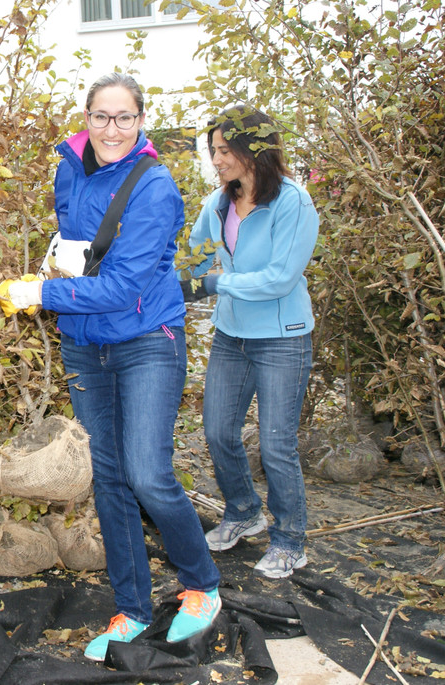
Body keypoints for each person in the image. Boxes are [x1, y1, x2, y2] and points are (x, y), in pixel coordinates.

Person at [0, 72, 221, 662]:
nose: (111, 129)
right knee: (111, 479)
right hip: (84, 345)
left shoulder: (155, 186)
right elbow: (79, 249)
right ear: (86, 117)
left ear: (141, 121)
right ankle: (133, 609)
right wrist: (56, 274)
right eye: (101, 116)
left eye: (124, 118)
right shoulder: (67, 167)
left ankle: (202, 584)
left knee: (147, 473)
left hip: (146, 338)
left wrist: (40, 294)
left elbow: (123, 286)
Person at [181, 105, 318, 579]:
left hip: (282, 337)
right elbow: (196, 259)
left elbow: (280, 278)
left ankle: (289, 540)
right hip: (232, 336)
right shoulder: (216, 204)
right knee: (218, 432)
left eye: (223, 151)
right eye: (212, 151)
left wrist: (219, 284)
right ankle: (243, 511)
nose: (215, 160)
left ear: (252, 150)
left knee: (276, 445)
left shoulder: (293, 203)